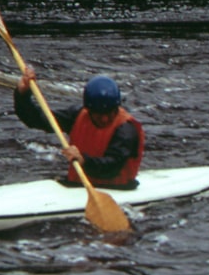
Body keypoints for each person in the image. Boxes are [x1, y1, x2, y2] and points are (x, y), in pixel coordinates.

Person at [14, 66, 144, 189]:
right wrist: (23, 95)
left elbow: (112, 167)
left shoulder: (126, 129)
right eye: (99, 114)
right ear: (89, 110)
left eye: (109, 113)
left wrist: (84, 161)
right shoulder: (78, 116)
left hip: (116, 188)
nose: (104, 119)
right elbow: (36, 120)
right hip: (79, 185)